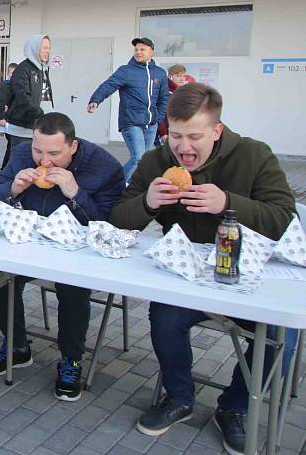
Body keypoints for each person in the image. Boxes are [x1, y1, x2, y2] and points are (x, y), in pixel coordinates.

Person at [109, 84, 295, 453]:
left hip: (248, 274)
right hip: (187, 278)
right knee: (164, 317)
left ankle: (234, 407)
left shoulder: (254, 155)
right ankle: (179, 397)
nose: (184, 147)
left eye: (195, 137)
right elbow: (117, 220)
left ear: (217, 131)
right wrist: (147, 202)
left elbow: (283, 220)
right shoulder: (156, 161)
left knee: (282, 338)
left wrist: (228, 203)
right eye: (176, 135)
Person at [0, 112, 124, 400]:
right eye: (39, 151)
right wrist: (12, 189)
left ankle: (71, 358)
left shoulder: (104, 167)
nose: (44, 161)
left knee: (72, 284)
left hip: (78, 252)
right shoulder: (22, 154)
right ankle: (17, 345)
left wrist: (76, 193)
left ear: (73, 146)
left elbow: (109, 227)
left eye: (54, 154)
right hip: (31, 244)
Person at [87, 37, 169, 184]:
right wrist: (96, 99)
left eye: (142, 49)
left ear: (151, 52)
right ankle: (115, 186)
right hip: (131, 122)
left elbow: (163, 98)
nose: (138, 52)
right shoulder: (126, 71)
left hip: (151, 124)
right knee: (139, 158)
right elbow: (109, 85)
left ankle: (131, 186)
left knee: (145, 160)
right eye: (136, 49)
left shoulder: (160, 73)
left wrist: (158, 117)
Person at [3, 36, 53, 170]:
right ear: (34, 49)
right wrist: (40, 114)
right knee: (19, 164)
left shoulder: (40, 68)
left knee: (32, 164)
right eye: (44, 48)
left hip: (34, 125)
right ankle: (9, 182)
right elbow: (23, 97)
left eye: (49, 48)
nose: (47, 51)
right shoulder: (23, 69)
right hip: (21, 126)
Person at [156, 64, 187, 146]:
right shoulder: (165, 92)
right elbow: (160, 115)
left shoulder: (181, 93)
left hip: (179, 133)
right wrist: (163, 133)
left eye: (183, 76)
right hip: (167, 134)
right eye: (178, 76)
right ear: (170, 76)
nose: (182, 79)